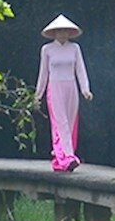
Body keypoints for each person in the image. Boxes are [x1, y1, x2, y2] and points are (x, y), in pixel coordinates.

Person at [35, 14, 93, 171]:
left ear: (69, 33)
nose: (62, 34)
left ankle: (63, 159)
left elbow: (80, 70)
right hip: (54, 89)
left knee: (71, 122)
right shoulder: (47, 49)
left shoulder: (75, 48)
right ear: (54, 33)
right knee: (61, 124)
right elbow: (43, 74)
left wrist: (85, 89)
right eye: (59, 31)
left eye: (65, 31)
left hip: (71, 88)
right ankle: (67, 157)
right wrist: (37, 95)